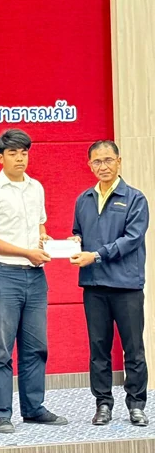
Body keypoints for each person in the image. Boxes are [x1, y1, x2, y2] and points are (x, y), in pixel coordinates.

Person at [0, 128, 67, 433]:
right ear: (0, 157)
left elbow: (40, 226)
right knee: (2, 349)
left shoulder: (36, 188)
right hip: (3, 275)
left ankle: (33, 408)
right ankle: (2, 414)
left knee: (36, 347)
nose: (20, 158)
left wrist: (45, 241)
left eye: (24, 153)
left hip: (35, 276)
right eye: (12, 153)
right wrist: (26, 251)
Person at [70, 140, 149, 427]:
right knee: (98, 349)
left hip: (126, 286)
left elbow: (132, 239)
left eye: (108, 160)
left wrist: (95, 255)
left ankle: (136, 404)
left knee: (133, 348)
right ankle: (103, 404)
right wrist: (74, 243)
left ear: (119, 161)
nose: (102, 166)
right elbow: (78, 232)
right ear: (89, 165)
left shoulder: (135, 198)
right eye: (97, 161)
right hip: (94, 286)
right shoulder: (83, 199)